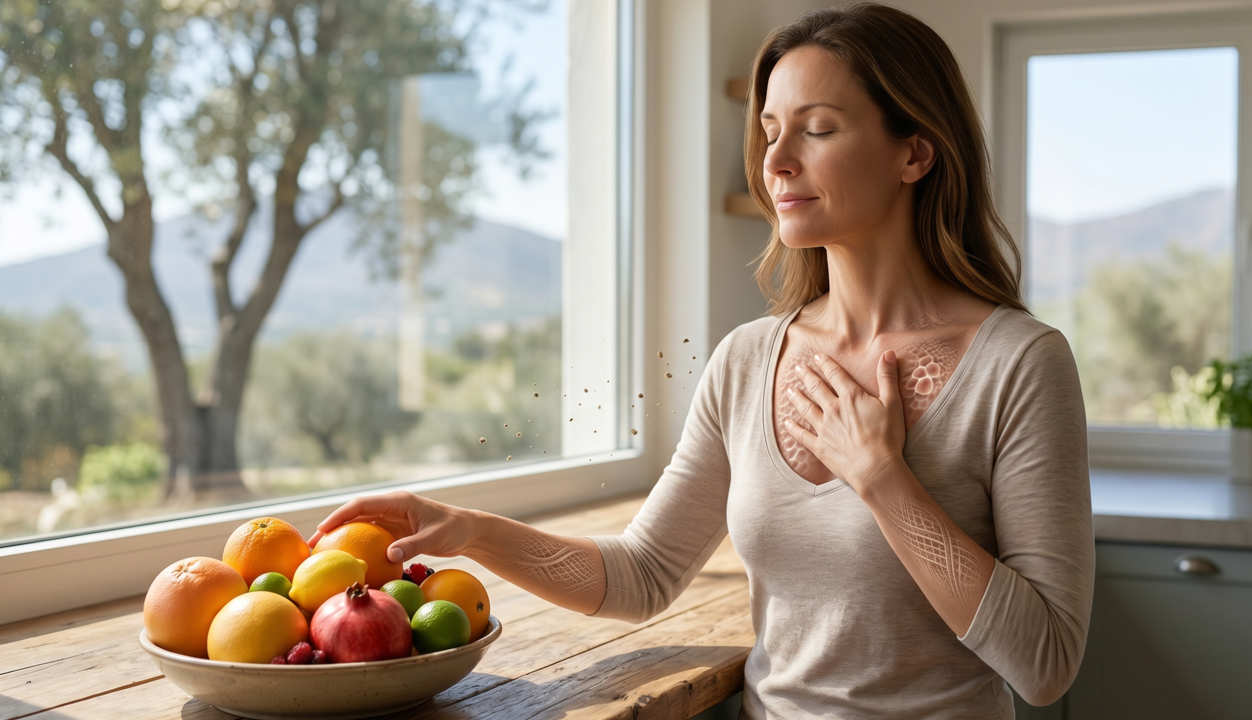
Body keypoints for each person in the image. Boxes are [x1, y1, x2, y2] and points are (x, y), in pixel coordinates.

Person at [309, 4, 1093, 717]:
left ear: (914, 153)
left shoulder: (1019, 365)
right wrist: (471, 529)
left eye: (816, 129)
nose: (775, 161)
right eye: (771, 130)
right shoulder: (748, 359)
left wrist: (884, 480)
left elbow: (1045, 663)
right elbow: (642, 574)